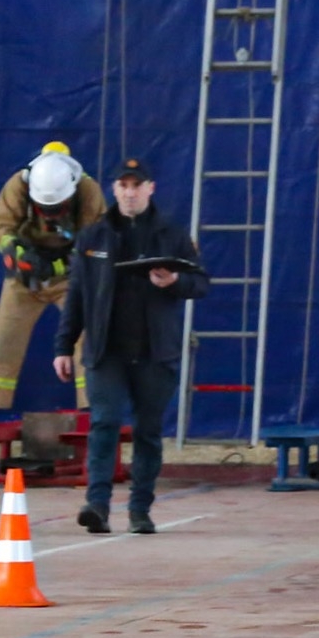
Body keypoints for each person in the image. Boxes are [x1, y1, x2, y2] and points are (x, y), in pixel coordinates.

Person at [54, 157, 207, 535]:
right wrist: (63, 345)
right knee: (104, 423)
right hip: (107, 350)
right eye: (123, 185)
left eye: (137, 185)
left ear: (150, 188)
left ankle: (141, 508)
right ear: (114, 189)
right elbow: (77, 295)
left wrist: (173, 281)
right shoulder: (94, 237)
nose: (130, 192)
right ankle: (98, 505)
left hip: (156, 351)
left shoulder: (171, 233)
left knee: (148, 431)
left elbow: (200, 283)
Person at [0, 142, 109, 426]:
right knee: (4, 338)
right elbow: (0, 229)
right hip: (26, 278)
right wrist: (19, 255)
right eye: (44, 208)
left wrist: (57, 265)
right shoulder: (18, 186)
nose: (50, 214)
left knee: (87, 338)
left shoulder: (88, 192)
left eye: (56, 208)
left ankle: (91, 410)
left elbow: (92, 242)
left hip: (72, 276)